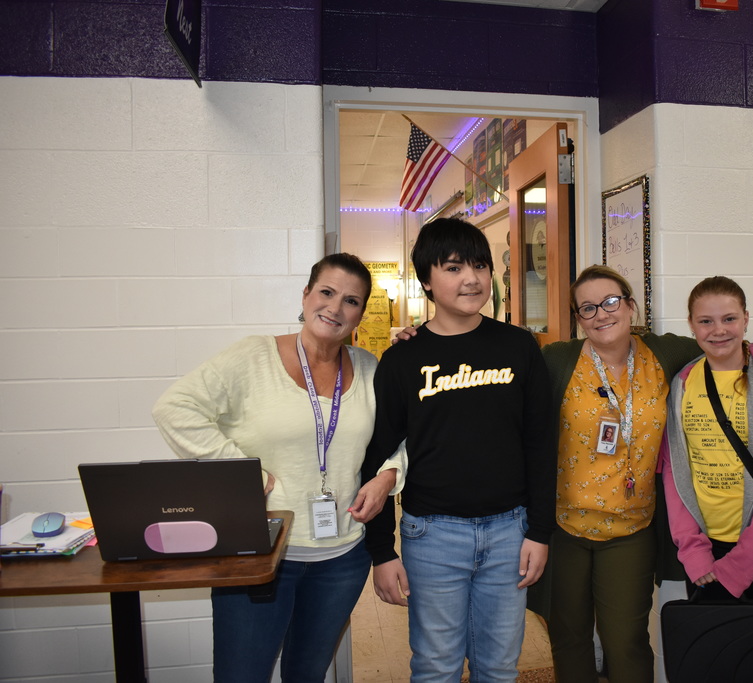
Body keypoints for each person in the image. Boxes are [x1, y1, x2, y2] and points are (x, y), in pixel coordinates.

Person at [533, 265, 753, 683]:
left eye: (610, 302)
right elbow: (503, 376)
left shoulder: (665, 354)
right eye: (587, 308)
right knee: (569, 639)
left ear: (630, 306)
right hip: (564, 526)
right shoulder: (557, 360)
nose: (601, 314)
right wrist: (420, 342)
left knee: (625, 640)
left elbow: (727, 343)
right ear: (578, 318)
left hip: (632, 528)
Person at [151, 253, 402, 683]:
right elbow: (174, 408)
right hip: (260, 553)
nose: (335, 308)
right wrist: (239, 470)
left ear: (362, 312)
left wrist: (388, 475)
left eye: (351, 301)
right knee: (242, 675)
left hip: (342, 558)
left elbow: (403, 435)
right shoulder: (253, 356)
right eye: (326, 292)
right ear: (305, 296)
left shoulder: (369, 367)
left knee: (307, 674)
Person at [360, 217, 554, 682]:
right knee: (435, 666)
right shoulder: (402, 358)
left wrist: (540, 531)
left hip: (511, 531)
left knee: (500, 666)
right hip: (432, 536)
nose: (471, 278)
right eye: (453, 267)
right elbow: (379, 457)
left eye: (480, 266)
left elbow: (541, 444)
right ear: (426, 280)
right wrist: (382, 552)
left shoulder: (519, 347)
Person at [660, 275, 753, 643]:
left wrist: (741, 564)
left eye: (729, 318)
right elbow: (674, 472)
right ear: (691, 325)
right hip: (707, 551)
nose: (718, 331)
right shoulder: (682, 382)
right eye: (706, 321)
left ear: (746, 319)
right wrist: (693, 552)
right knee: (712, 658)